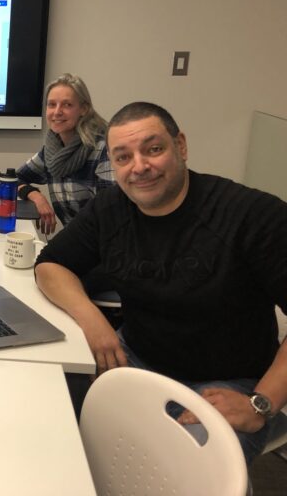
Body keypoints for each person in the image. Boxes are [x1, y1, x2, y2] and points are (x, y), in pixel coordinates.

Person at [35, 101, 287, 464]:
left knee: (186, 469)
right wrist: (92, 320)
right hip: (136, 357)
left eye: (153, 149)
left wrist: (261, 404)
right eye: (123, 157)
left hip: (230, 382)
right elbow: (51, 265)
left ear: (180, 146)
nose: (139, 167)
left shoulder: (251, 215)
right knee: (56, 426)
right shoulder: (111, 208)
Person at [17, 73, 114, 234]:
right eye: (51, 104)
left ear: (84, 109)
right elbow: (13, 180)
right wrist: (37, 197)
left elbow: (111, 216)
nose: (57, 112)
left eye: (67, 105)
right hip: (74, 238)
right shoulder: (52, 149)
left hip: (103, 244)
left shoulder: (103, 148)